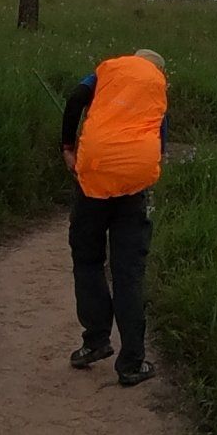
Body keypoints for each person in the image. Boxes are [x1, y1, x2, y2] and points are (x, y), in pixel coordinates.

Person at [60, 47, 167, 386]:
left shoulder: (110, 72)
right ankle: (132, 363)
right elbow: (160, 142)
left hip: (94, 175)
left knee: (88, 259)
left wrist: (68, 147)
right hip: (133, 183)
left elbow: (75, 98)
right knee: (128, 271)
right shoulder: (155, 88)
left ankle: (95, 341)